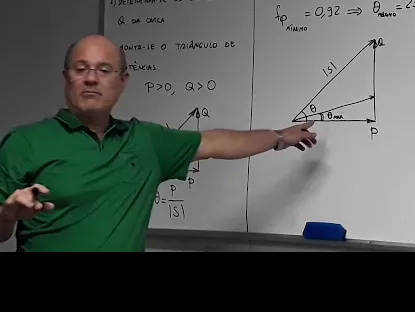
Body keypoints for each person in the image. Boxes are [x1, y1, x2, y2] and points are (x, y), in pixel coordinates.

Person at [0, 34, 316, 252]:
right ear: (66, 77)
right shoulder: (24, 143)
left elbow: (217, 143)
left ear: (123, 81)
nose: (91, 78)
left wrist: (279, 137)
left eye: (104, 70)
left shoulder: (146, 141)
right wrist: (7, 215)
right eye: (80, 69)